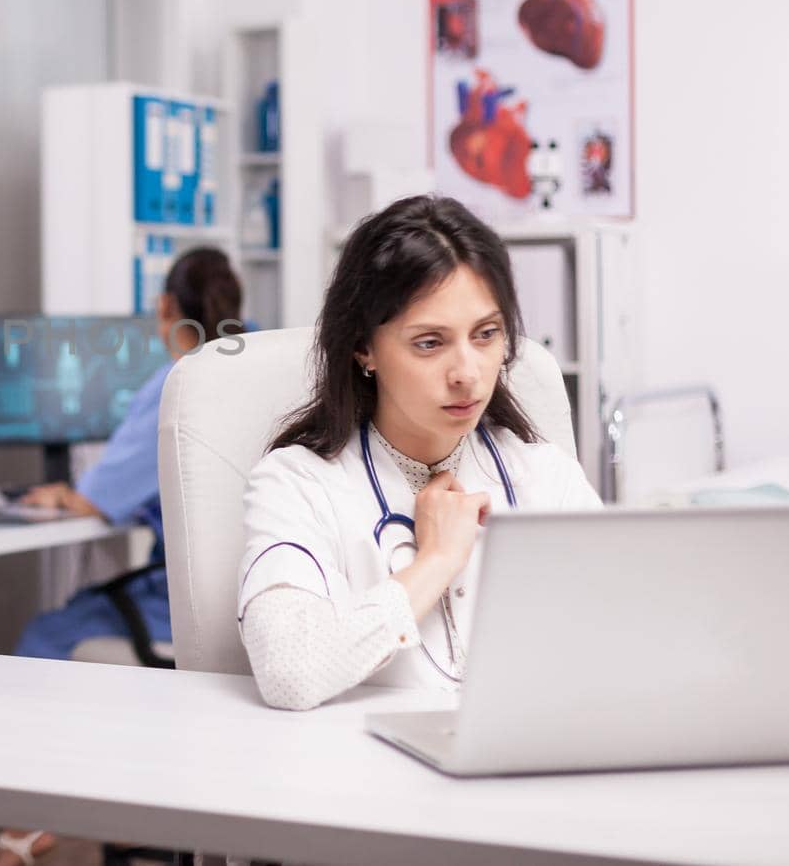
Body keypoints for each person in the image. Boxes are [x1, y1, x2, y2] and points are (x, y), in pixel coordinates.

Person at [237, 194, 600, 712]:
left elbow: (625, 638)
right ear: (364, 347)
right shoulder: (297, 483)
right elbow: (291, 673)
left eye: (486, 335)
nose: (467, 373)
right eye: (430, 343)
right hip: (360, 777)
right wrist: (437, 560)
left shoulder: (545, 476)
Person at [0, 248, 242, 866]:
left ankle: (25, 830)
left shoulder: (179, 380)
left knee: (49, 634)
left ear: (164, 310)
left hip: (188, 605)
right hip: (251, 597)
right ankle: (132, 805)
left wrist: (62, 496)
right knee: (94, 609)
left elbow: (99, 500)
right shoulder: (258, 361)